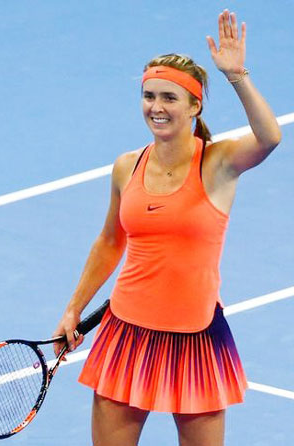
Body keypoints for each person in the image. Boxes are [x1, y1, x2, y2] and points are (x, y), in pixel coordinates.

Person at [52, 8, 281, 446]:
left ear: (195, 106)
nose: (156, 107)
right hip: (126, 335)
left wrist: (238, 77)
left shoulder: (218, 163)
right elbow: (109, 240)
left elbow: (269, 137)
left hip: (196, 339)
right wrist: (74, 308)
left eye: (169, 98)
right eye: (148, 96)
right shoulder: (126, 167)